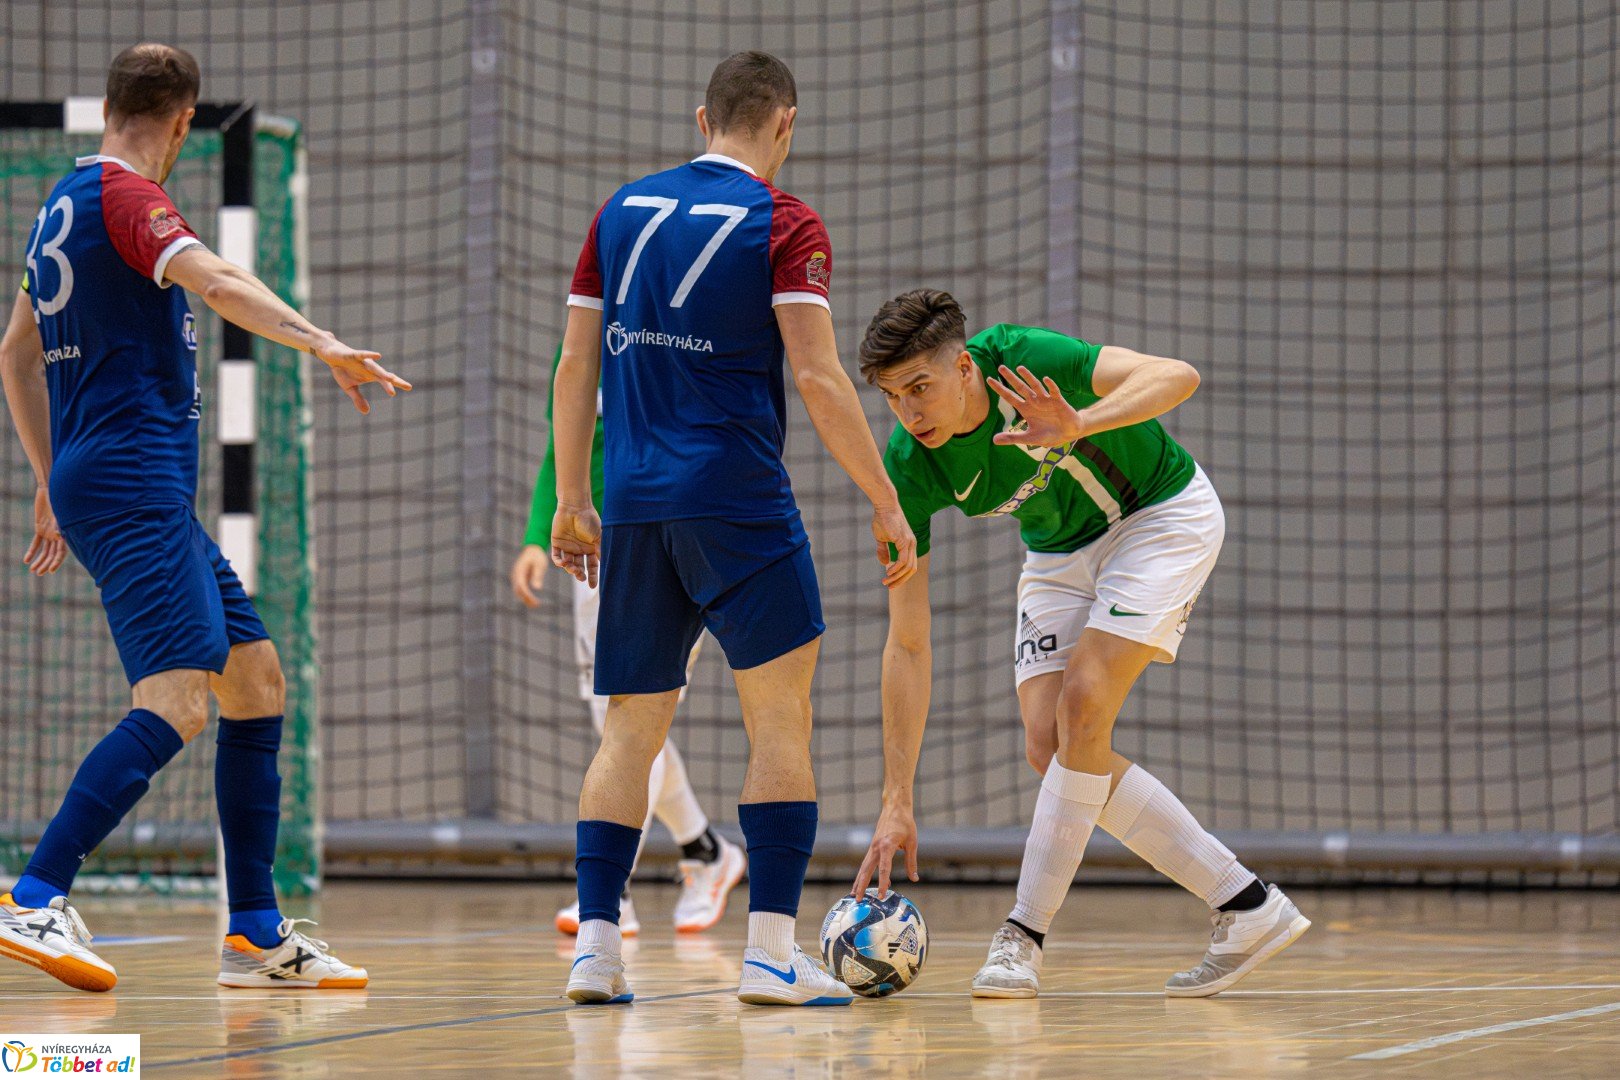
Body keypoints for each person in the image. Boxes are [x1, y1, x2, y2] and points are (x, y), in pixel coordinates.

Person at [0, 43, 408, 992]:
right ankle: (33, 895)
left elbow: (15, 353)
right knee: (179, 699)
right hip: (134, 484)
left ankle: (254, 935)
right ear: (184, 121)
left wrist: (50, 474)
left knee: (254, 681)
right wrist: (322, 342)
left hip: (118, 483)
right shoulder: (129, 199)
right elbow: (218, 282)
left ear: (109, 105)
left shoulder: (61, 203)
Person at [550, 50, 916, 1007]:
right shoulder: (784, 222)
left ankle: (596, 952)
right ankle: (769, 955)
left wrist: (571, 498)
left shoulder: (618, 211)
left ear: (700, 118)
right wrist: (885, 498)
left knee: (629, 730)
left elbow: (575, 364)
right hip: (739, 501)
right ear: (785, 124)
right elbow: (819, 375)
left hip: (633, 504)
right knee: (780, 718)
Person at [850, 288, 1309, 999]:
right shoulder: (907, 469)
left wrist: (1080, 422)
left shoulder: (1024, 358)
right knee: (1050, 745)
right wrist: (896, 798)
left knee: (1084, 703)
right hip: (1059, 554)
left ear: (965, 368)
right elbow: (908, 643)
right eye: (891, 397)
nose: (909, 413)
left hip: (1159, 514)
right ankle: (1246, 904)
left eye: (919, 387)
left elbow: (1177, 375)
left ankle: (1023, 936)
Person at [511, 346, 745, 936]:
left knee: (636, 721)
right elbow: (563, 448)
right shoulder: (582, 340)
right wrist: (538, 535)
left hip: (666, 540)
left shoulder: (676, 336)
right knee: (617, 723)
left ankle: (611, 889)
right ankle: (705, 852)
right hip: (595, 550)